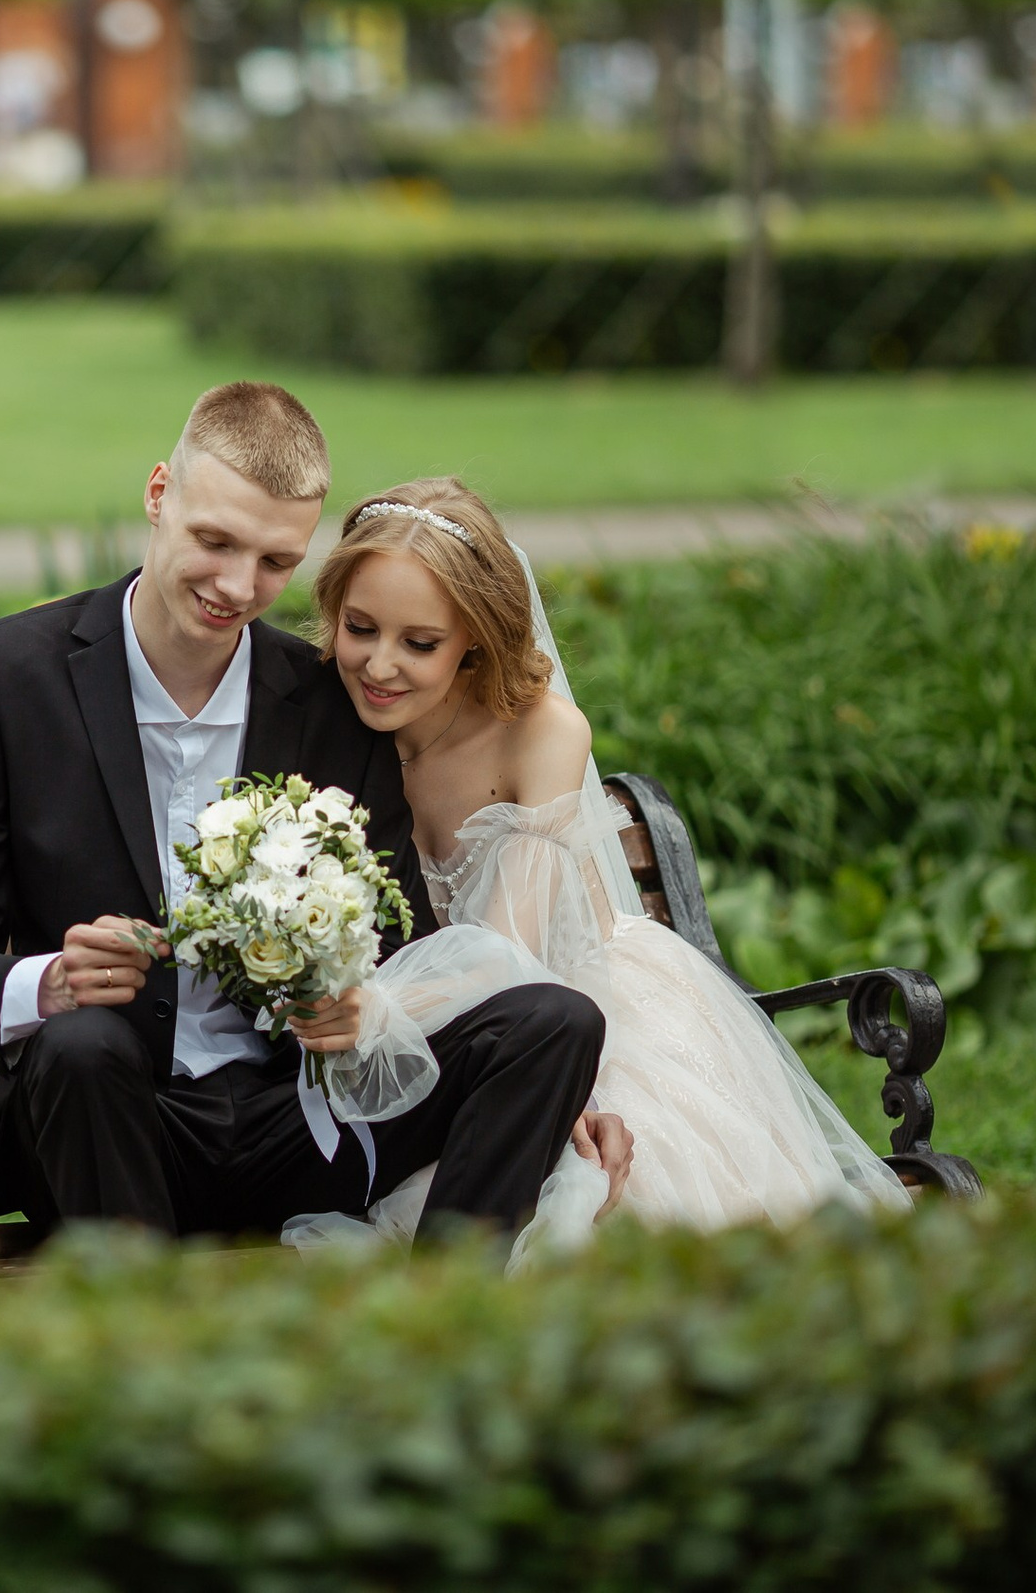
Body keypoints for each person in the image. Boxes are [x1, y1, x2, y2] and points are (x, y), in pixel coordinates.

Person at [0, 383, 633, 1243]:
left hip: (302, 1125)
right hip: (114, 1123)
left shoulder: (330, 703)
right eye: (215, 541)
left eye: (277, 561)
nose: (239, 586)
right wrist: (45, 984)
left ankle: (444, 1323)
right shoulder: (6, 675)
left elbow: (402, 948)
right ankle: (144, 1343)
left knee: (554, 1022)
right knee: (78, 1045)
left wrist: (359, 1007)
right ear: (159, 494)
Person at [285, 476, 913, 1262]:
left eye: (420, 643)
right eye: (359, 627)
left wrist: (380, 1010)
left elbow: (508, 953)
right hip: (455, 1031)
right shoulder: (326, 715)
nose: (379, 665)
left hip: (582, 1002)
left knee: (599, 1194)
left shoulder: (540, 731)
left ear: (475, 637)